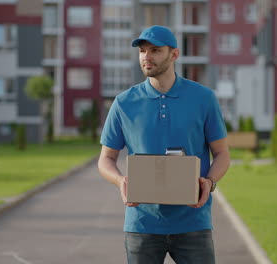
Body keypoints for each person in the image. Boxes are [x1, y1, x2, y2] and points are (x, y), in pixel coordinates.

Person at [97, 25, 230, 264]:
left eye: (155, 50)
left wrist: (209, 182)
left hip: (193, 221)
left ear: (174, 54)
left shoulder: (203, 98)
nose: (147, 56)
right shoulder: (124, 103)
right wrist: (121, 181)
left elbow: (222, 154)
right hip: (142, 223)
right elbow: (105, 159)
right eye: (142, 51)